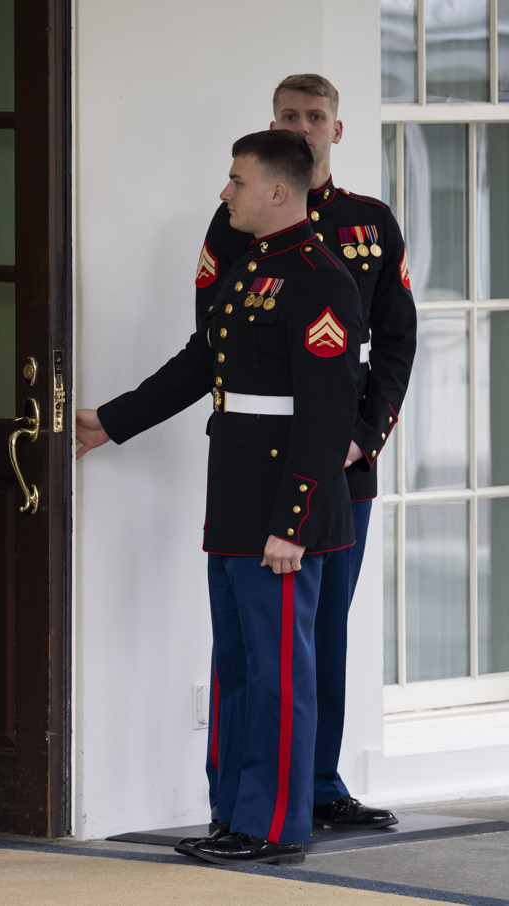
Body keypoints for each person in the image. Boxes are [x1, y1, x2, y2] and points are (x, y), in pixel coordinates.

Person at [76, 129, 363, 865]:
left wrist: (293, 522)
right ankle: (235, 815)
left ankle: (274, 827)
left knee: (279, 675)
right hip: (235, 498)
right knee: (237, 668)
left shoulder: (321, 279)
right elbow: (201, 362)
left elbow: (328, 417)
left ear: (278, 190)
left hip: (283, 512)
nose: (225, 192)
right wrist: (112, 421)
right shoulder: (248, 268)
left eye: (237, 181)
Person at [193, 75, 416, 834]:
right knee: (263, 641)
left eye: (316, 116)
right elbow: (217, 344)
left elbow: (395, 342)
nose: (303, 126)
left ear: (336, 129)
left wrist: (364, 435)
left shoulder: (368, 224)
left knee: (321, 634)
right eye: (289, 115)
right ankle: (254, 803)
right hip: (263, 464)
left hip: (342, 462)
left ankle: (316, 786)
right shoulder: (239, 222)